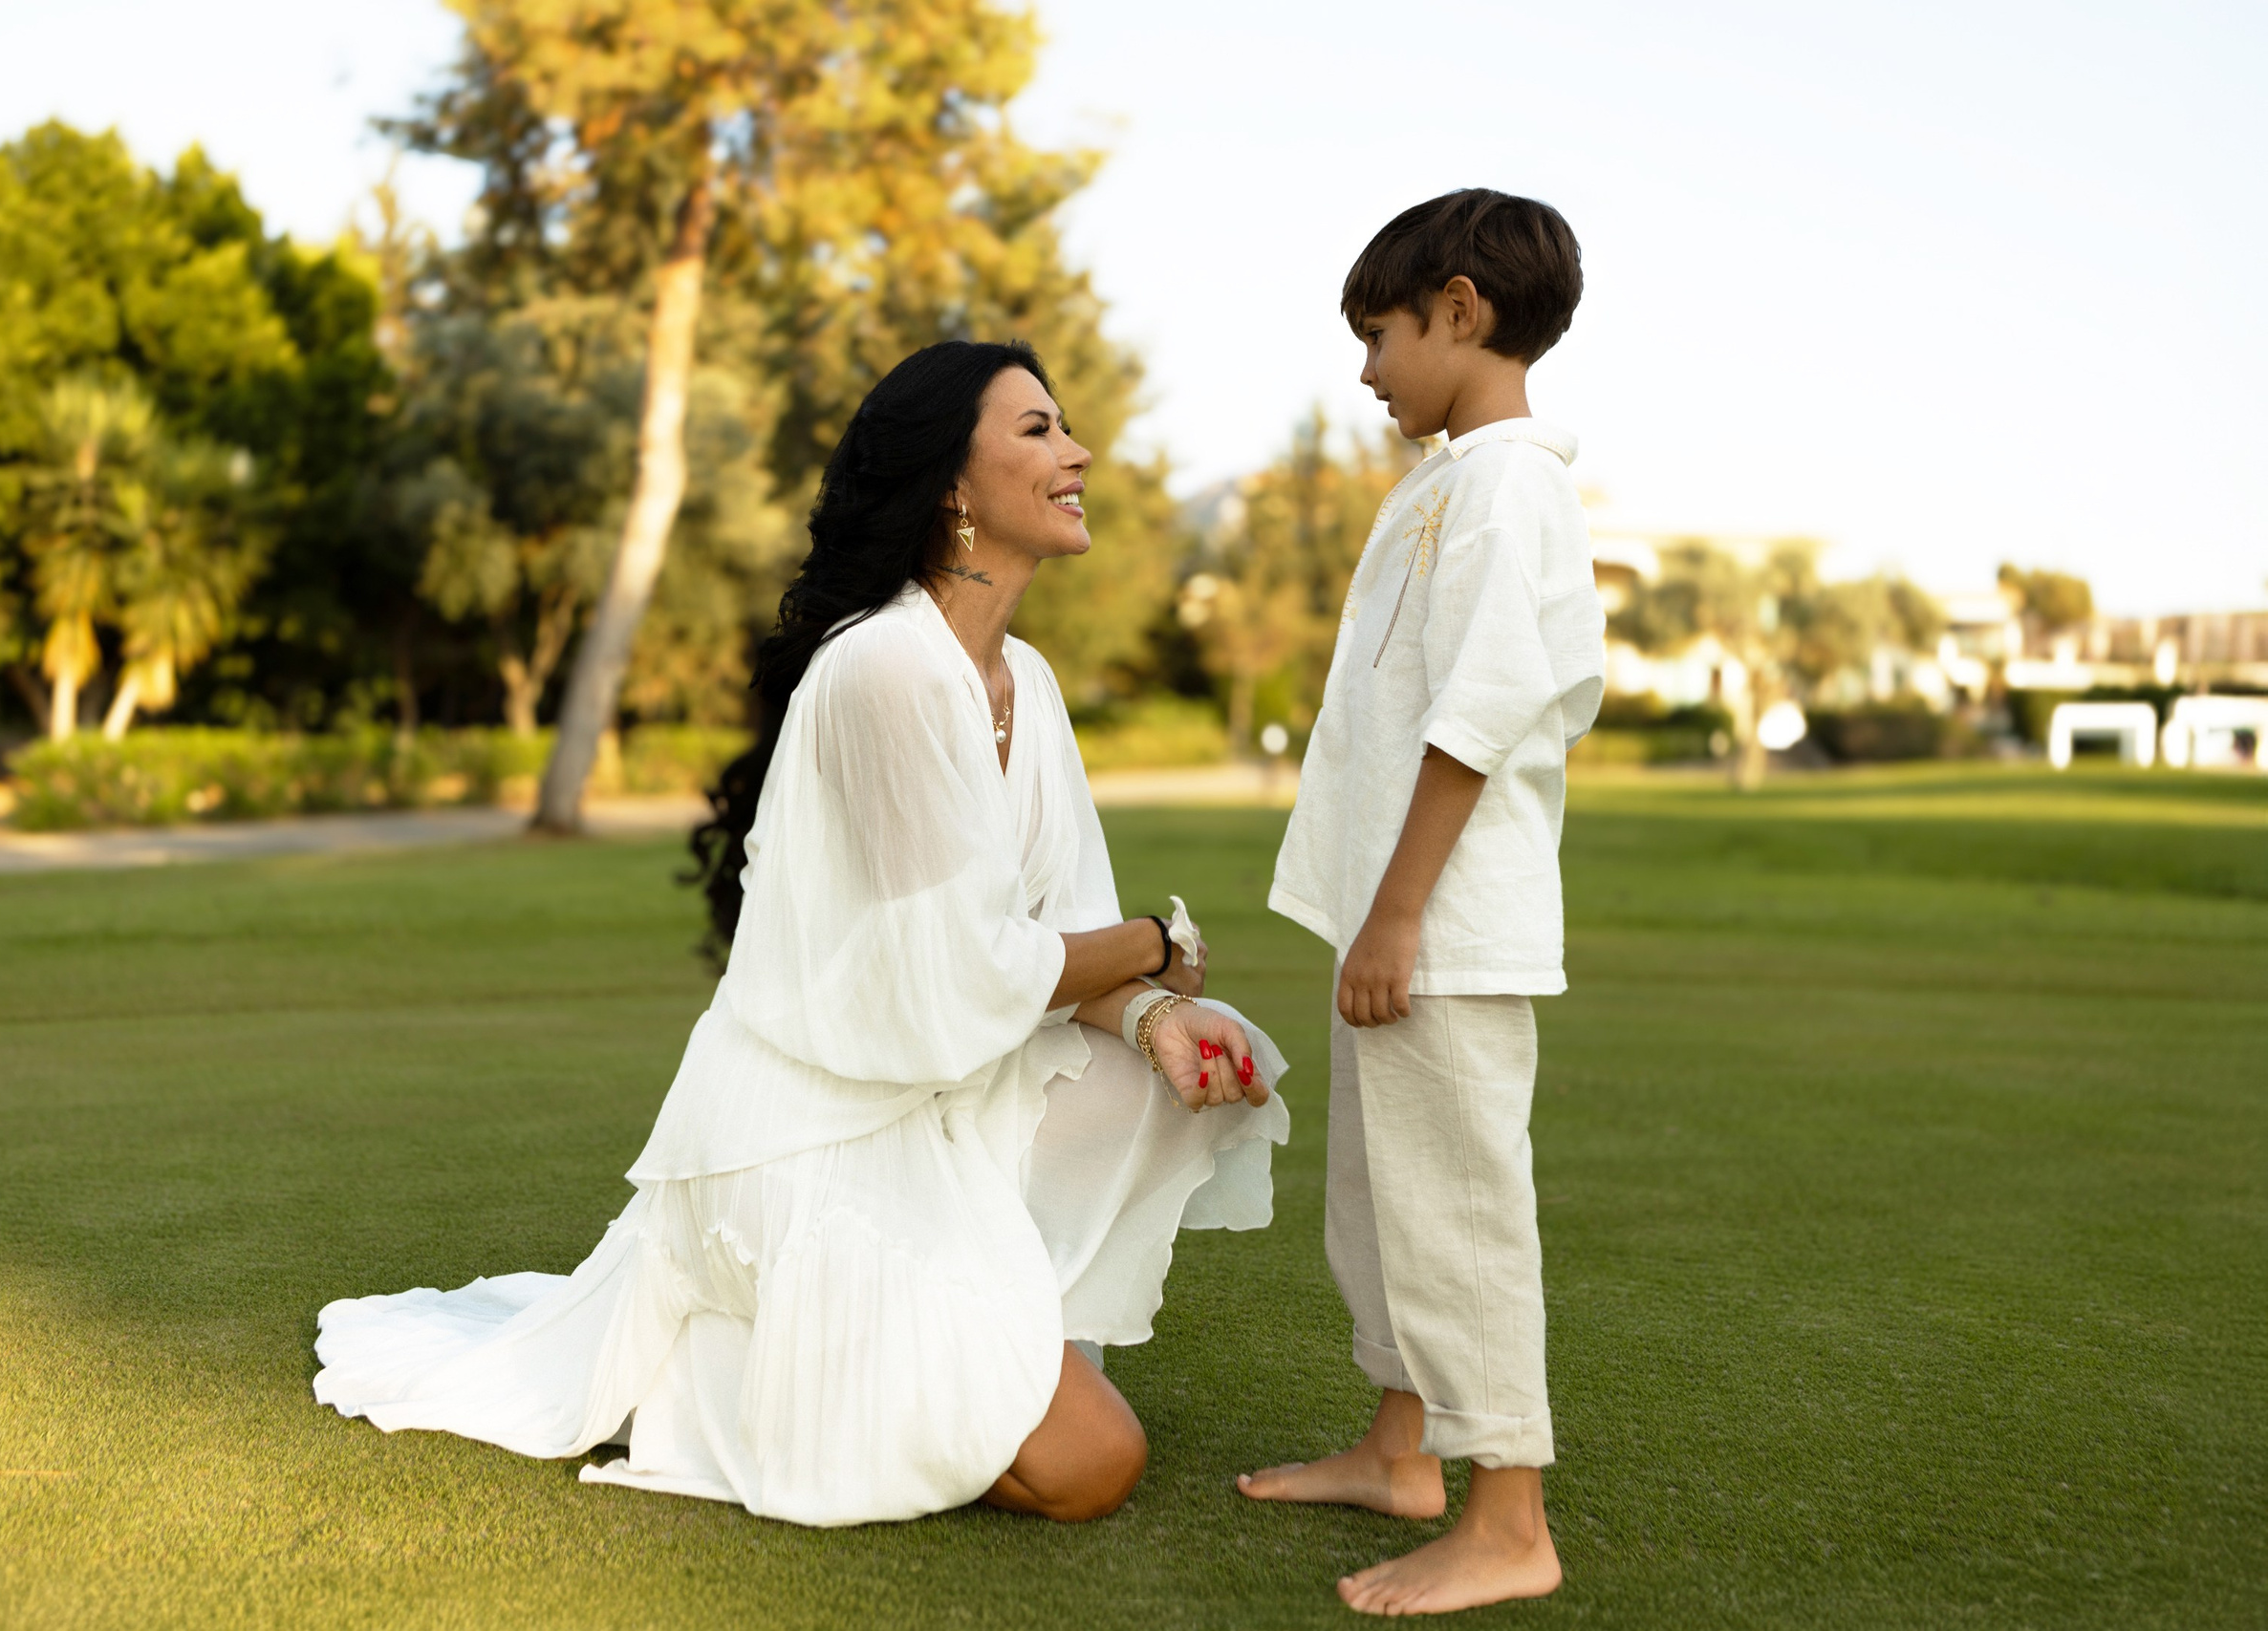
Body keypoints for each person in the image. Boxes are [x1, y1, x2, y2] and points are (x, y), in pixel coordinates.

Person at [313, 339, 1289, 1529]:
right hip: (810, 1136)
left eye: (1064, 425)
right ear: (950, 485)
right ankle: (723, 1357)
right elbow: (967, 979)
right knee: (1093, 1468)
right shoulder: (885, 666)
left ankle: (946, 1333)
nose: (1076, 451)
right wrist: (1150, 946)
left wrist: (1154, 1008)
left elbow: (1042, 940)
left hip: (929, 1104)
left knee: (1189, 1042)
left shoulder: (1023, 679)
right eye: (1035, 431)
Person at [1238, 189, 1602, 1615]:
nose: (1369, 367)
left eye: (1380, 333)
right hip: (1394, 910)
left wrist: (1397, 916)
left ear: (1461, 310)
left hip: (1442, 917)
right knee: (1382, 1203)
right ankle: (1405, 1448)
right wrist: (1368, 910)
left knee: (1454, 1207)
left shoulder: (1515, 484)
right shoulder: (1447, 480)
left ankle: (1510, 1515)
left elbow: (1482, 711)